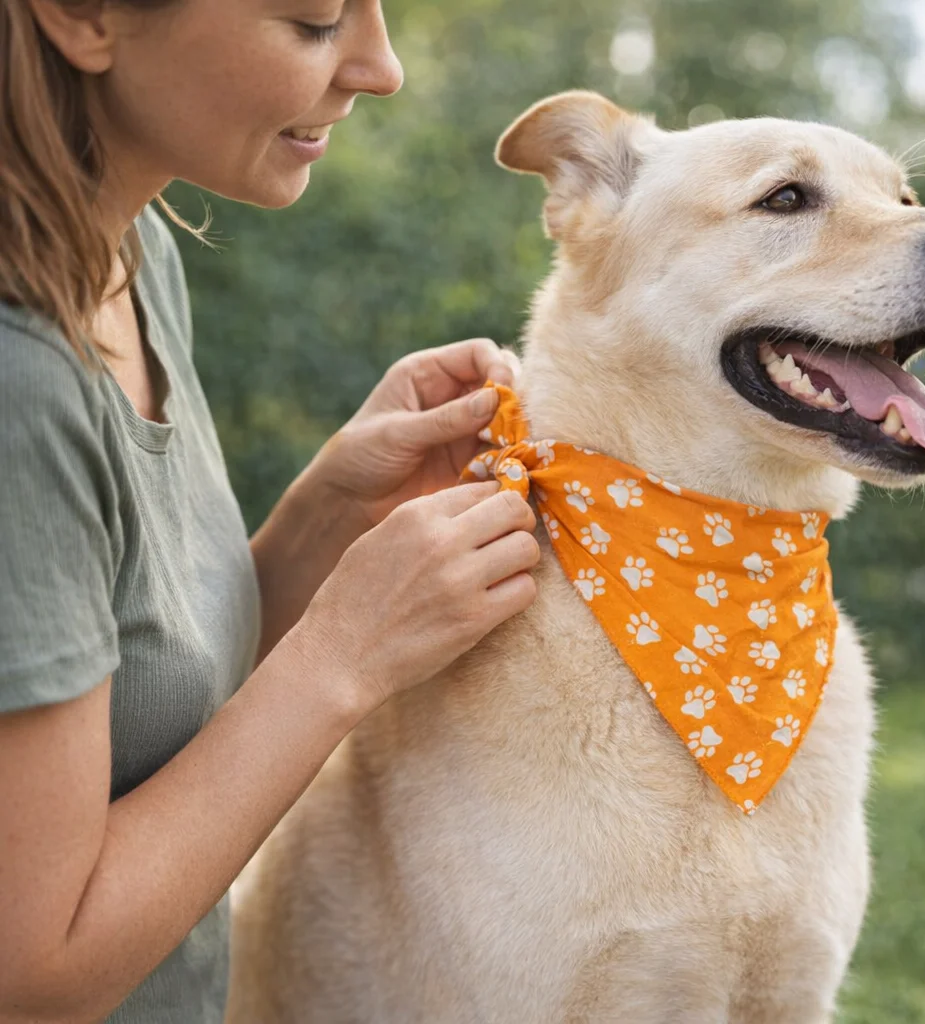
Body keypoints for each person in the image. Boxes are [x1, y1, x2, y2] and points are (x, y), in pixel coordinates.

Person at [0, 1, 541, 1020]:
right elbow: (34, 971)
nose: (381, 69)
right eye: (314, 19)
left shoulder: (128, 258)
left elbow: (142, 716)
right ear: (84, 16)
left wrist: (326, 516)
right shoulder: (19, 382)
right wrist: (345, 653)